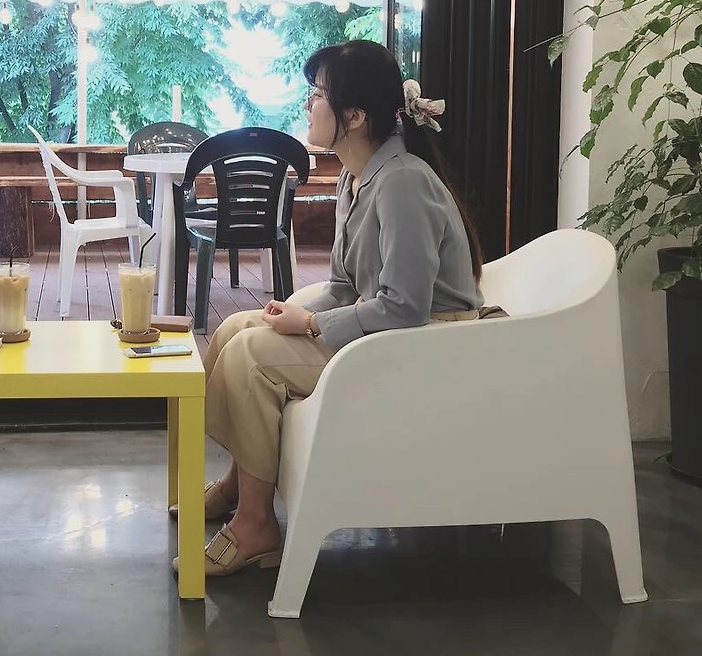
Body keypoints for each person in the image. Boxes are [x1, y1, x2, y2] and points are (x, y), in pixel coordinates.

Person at [176, 39, 484, 577]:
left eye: (318, 94)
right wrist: (289, 315)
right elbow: (345, 284)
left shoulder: (403, 182)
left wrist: (314, 323)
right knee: (234, 330)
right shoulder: (355, 174)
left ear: (355, 116)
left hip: (426, 346)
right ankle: (238, 483)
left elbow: (406, 308)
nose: (308, 104)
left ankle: (256, 525)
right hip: (387, 332)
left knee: (252, 357)